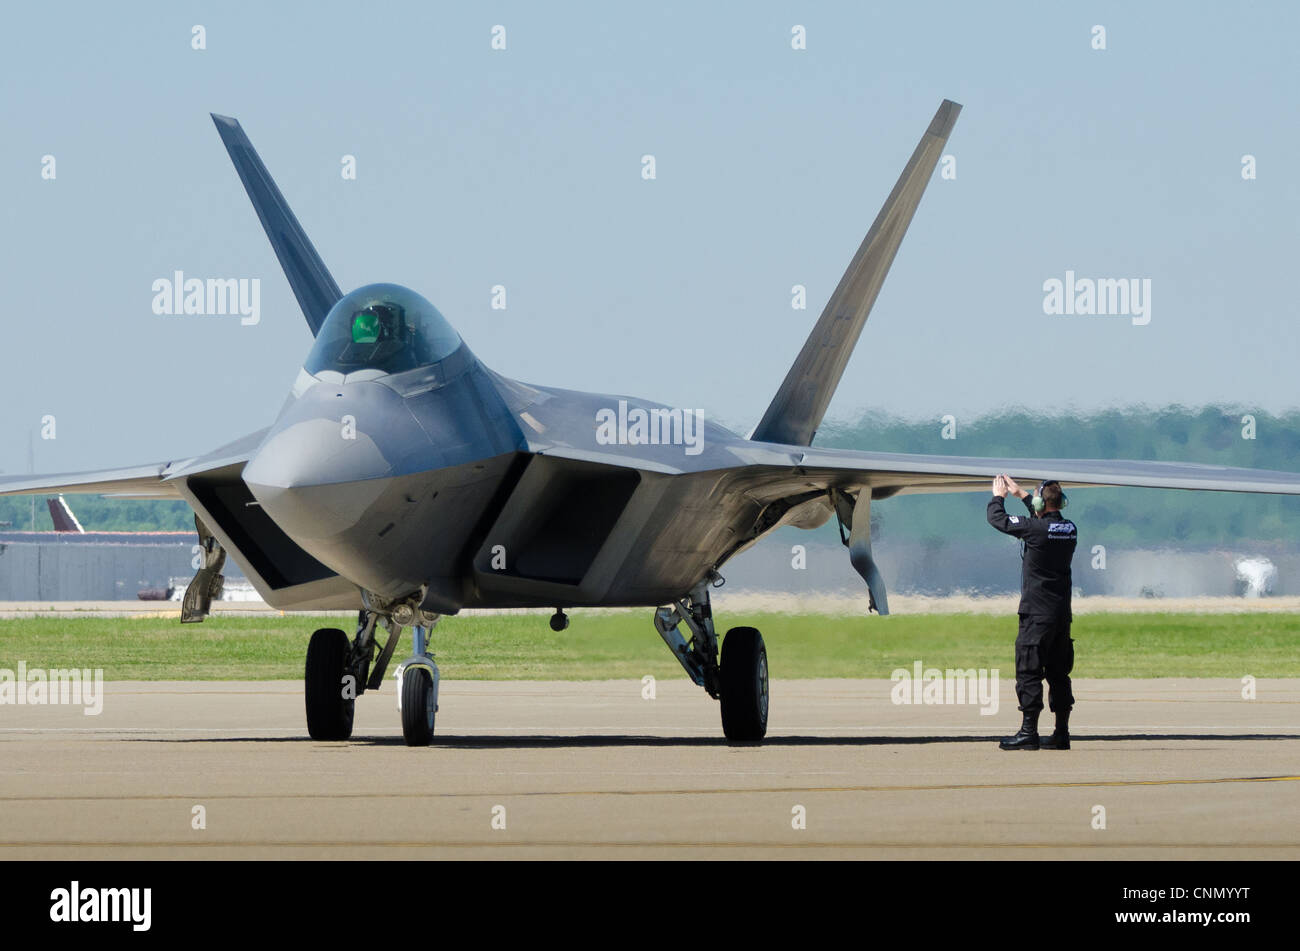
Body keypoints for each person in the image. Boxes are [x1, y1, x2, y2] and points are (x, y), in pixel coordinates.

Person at [986, 474, 1077, 751]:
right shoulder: (1069, 529)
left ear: (1040, 502)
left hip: (1036, 614)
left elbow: (997, 519)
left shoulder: (1035, 530)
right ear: (1061, 502)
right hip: (1061, 615)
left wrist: (998, 496)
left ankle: (1029, 732)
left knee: (1029, 671)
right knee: (1059, 674)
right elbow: (1043, 524)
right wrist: (1024, 496)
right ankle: (1062, 732)